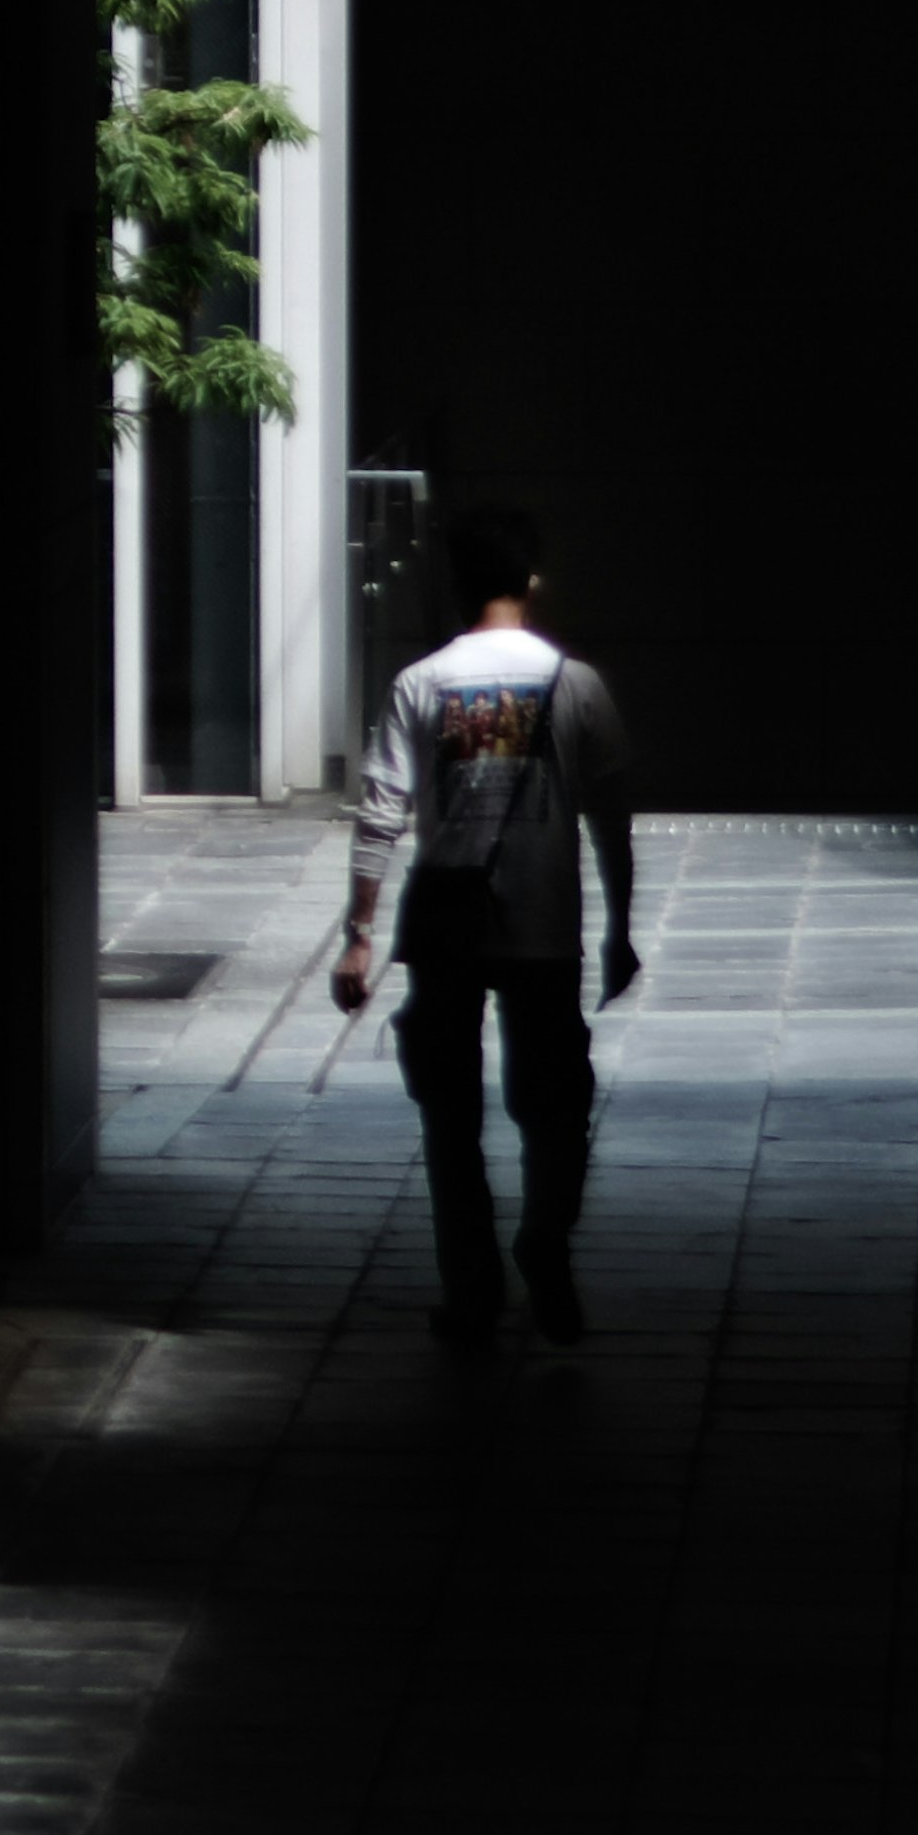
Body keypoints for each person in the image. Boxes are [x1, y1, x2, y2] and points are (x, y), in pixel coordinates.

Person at [330, 505, 639, 1346]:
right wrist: (618, 926)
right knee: (556, 1105)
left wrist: (360, 931)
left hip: (447, 928)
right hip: (544, 927)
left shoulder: (422, 682)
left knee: (450, 1121)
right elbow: (611, 817)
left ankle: (472, 1293)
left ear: (456, 585)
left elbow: (380, 814)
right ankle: (545, 1235)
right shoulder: (575, 684)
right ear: (529, 582)